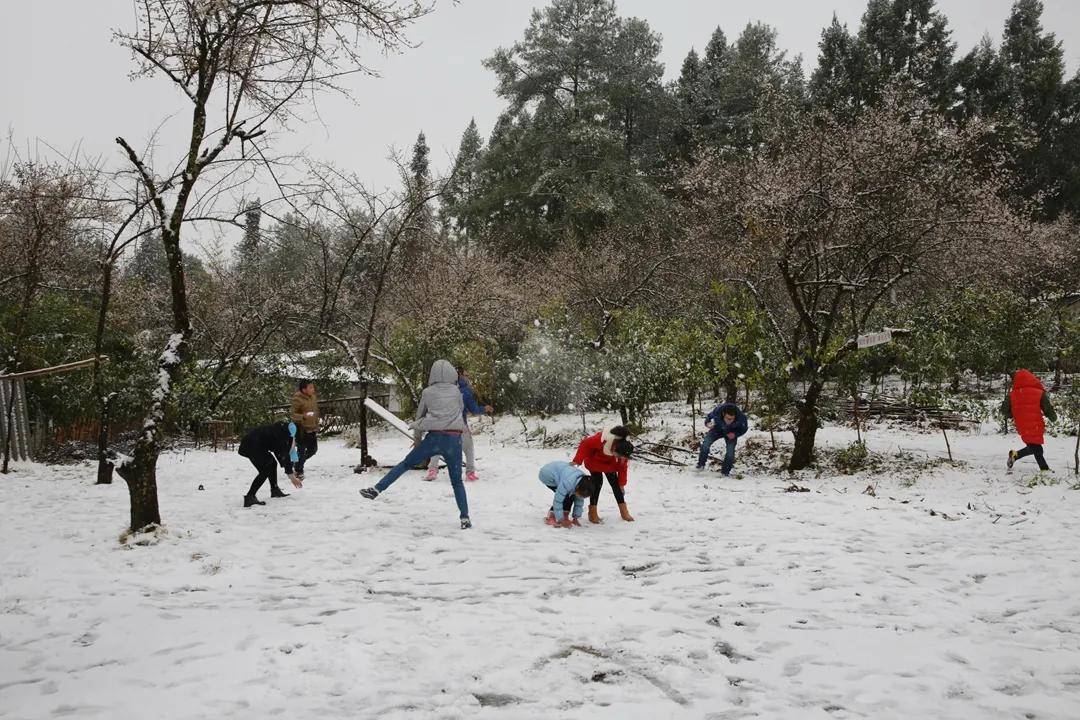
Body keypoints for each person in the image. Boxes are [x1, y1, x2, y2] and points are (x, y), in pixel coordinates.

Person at [359, 359, 473, 529]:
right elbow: (459, 413)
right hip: (453, 440)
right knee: (456, 481)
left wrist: (417, 439)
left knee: (405, 464)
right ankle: (464, 518)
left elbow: (420, 417)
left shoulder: (427, 392)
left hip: (433, 439)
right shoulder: (457, 393)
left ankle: (377, 489)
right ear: (452, 374)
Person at [425, 368, 494, 482]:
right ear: (459, 376)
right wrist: (484, 409)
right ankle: (470, 473)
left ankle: (432, 470)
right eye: (466, 375)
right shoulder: (466, 391)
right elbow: (474, 410)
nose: (467, 378)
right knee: (468, 448)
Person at [573, 425, 635, 523]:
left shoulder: (623, 449)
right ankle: (592, 514)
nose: (620, 458)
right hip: (594, 462)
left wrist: (622, 484)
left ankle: (624, 512)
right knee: (597, 484)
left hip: (610, 466)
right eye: (618, 455)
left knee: (616, 485)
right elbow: (585, 444)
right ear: (614, 447)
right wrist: (577, 460)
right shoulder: (601, 439)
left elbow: (623, 468)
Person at [1002, 369, 1057, 472]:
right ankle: (1042, 468)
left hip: (1021, 424)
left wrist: (1012, 415)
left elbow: (1004, 410)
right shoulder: (1039, 393)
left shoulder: (1012, 395)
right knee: (1036, 447)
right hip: (1036, 423)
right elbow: (1047, 408)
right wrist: (1053, 418)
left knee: (1034, 446)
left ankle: (1042, 468)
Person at [238, 420, 301, 507]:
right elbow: (284, 454)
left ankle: (274, 489)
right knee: (266, 468)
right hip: (251, 445)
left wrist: (289, 469)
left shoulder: (283, 430)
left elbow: (281, 452)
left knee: (272, 464)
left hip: (254, 444)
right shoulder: (283, 435)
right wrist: (292, 477)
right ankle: (250, 496)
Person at [539, 460, 596, 528]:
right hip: (547, 475)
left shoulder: (583, 483)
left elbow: (579, 501)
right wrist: (561, 520)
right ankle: (551, 517)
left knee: (570, 496)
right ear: (578, 487)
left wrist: (576, 518)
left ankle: (564, 514)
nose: (581, 497)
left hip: (562, 472)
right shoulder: (568, 483)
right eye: (581, 495)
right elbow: (558, 500)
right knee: (565, 496)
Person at [696, 402, 749, 475]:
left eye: (732, 419)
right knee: (705, 444)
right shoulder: (718, 410)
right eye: (727, 418)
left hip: (731, 432)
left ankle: (725, 472)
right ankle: (700, 465)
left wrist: (735, 434)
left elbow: (744, 428)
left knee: (730, 452)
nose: (729, 421)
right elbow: (709, 417)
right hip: (717, 429)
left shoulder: (741, 417)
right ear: (723, 414)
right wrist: (707, 423)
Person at [290, 379, 319, 481]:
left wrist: (316, 424)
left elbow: (315, 412)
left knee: (313, 450)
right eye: (310, 387)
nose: (313, 389)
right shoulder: (297, 399)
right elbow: (293, 415)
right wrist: (303, 416)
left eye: (313, 387)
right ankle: (299, 470)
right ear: (304, 389)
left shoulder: (313, 397)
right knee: (301, 451)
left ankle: (297, 463)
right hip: (301, 428)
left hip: (312, 428)